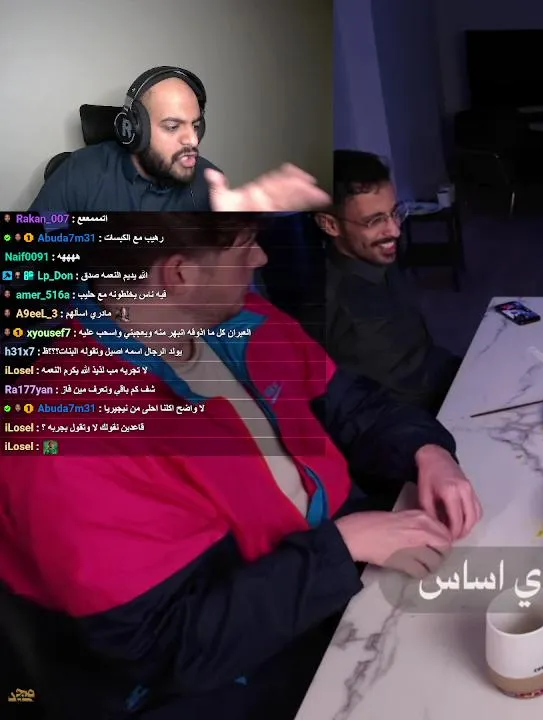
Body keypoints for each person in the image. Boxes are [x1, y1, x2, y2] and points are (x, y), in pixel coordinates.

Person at [0, 212, 483, 719]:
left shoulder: (238, 317)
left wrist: (427, 451)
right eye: (246, 244)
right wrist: (345, 545)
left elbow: (350, 403)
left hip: (340, 571)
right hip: (244, 672)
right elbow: (167, 646)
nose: (261, 258)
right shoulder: (65, 433)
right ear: (180, 274)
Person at [29, 66, 330, 214]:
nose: (193, 140)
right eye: (173, 126)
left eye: (196, 125)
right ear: (133, 130)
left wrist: (236, 233)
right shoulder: (81, 172)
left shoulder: (210, 183)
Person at [312, 150, 461, 414]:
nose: (395, 230)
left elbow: (420, 355)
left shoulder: (376, 257)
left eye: (394, 213)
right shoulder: (339, 313)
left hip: (446, 381)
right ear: (330, 225)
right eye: (375, 221)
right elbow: (385, 409)